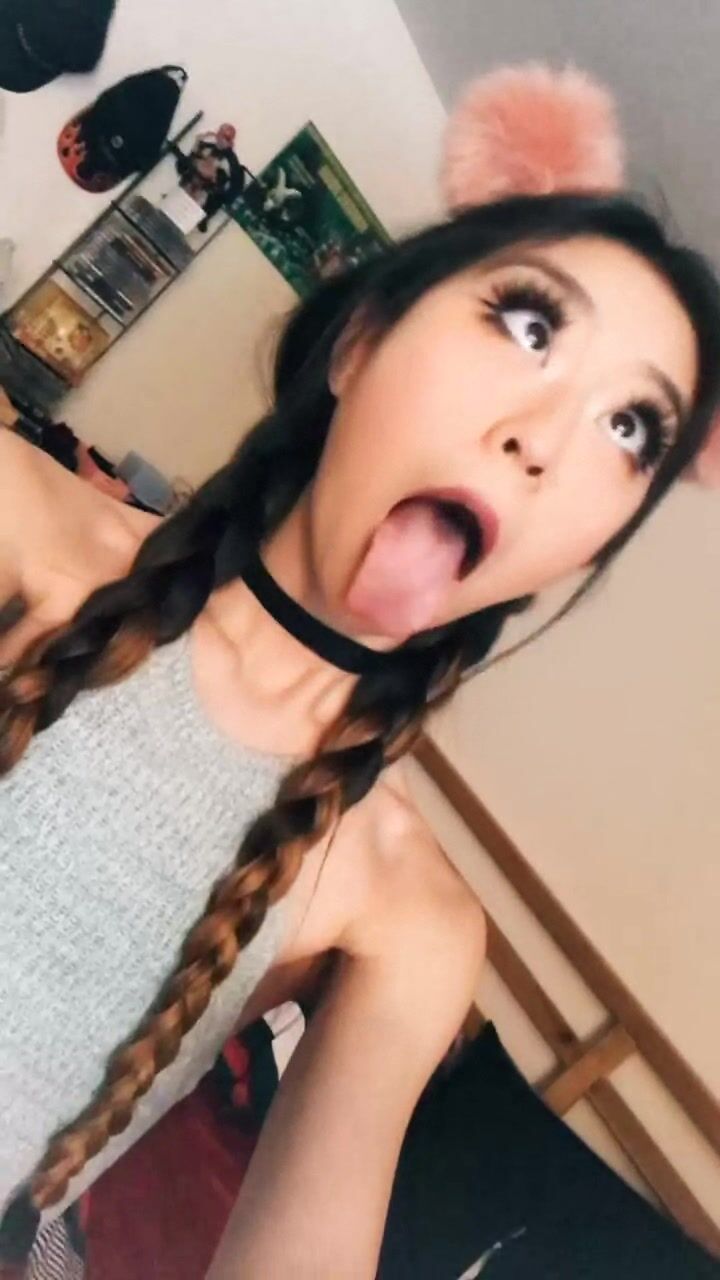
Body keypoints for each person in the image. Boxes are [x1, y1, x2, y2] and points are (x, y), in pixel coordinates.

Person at [3, 73, 720, 1277]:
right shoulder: (21, 521)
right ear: (361, 342)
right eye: (530, 325)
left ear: (586, 550)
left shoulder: (413, 920)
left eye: (629, 430)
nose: (546, 438)